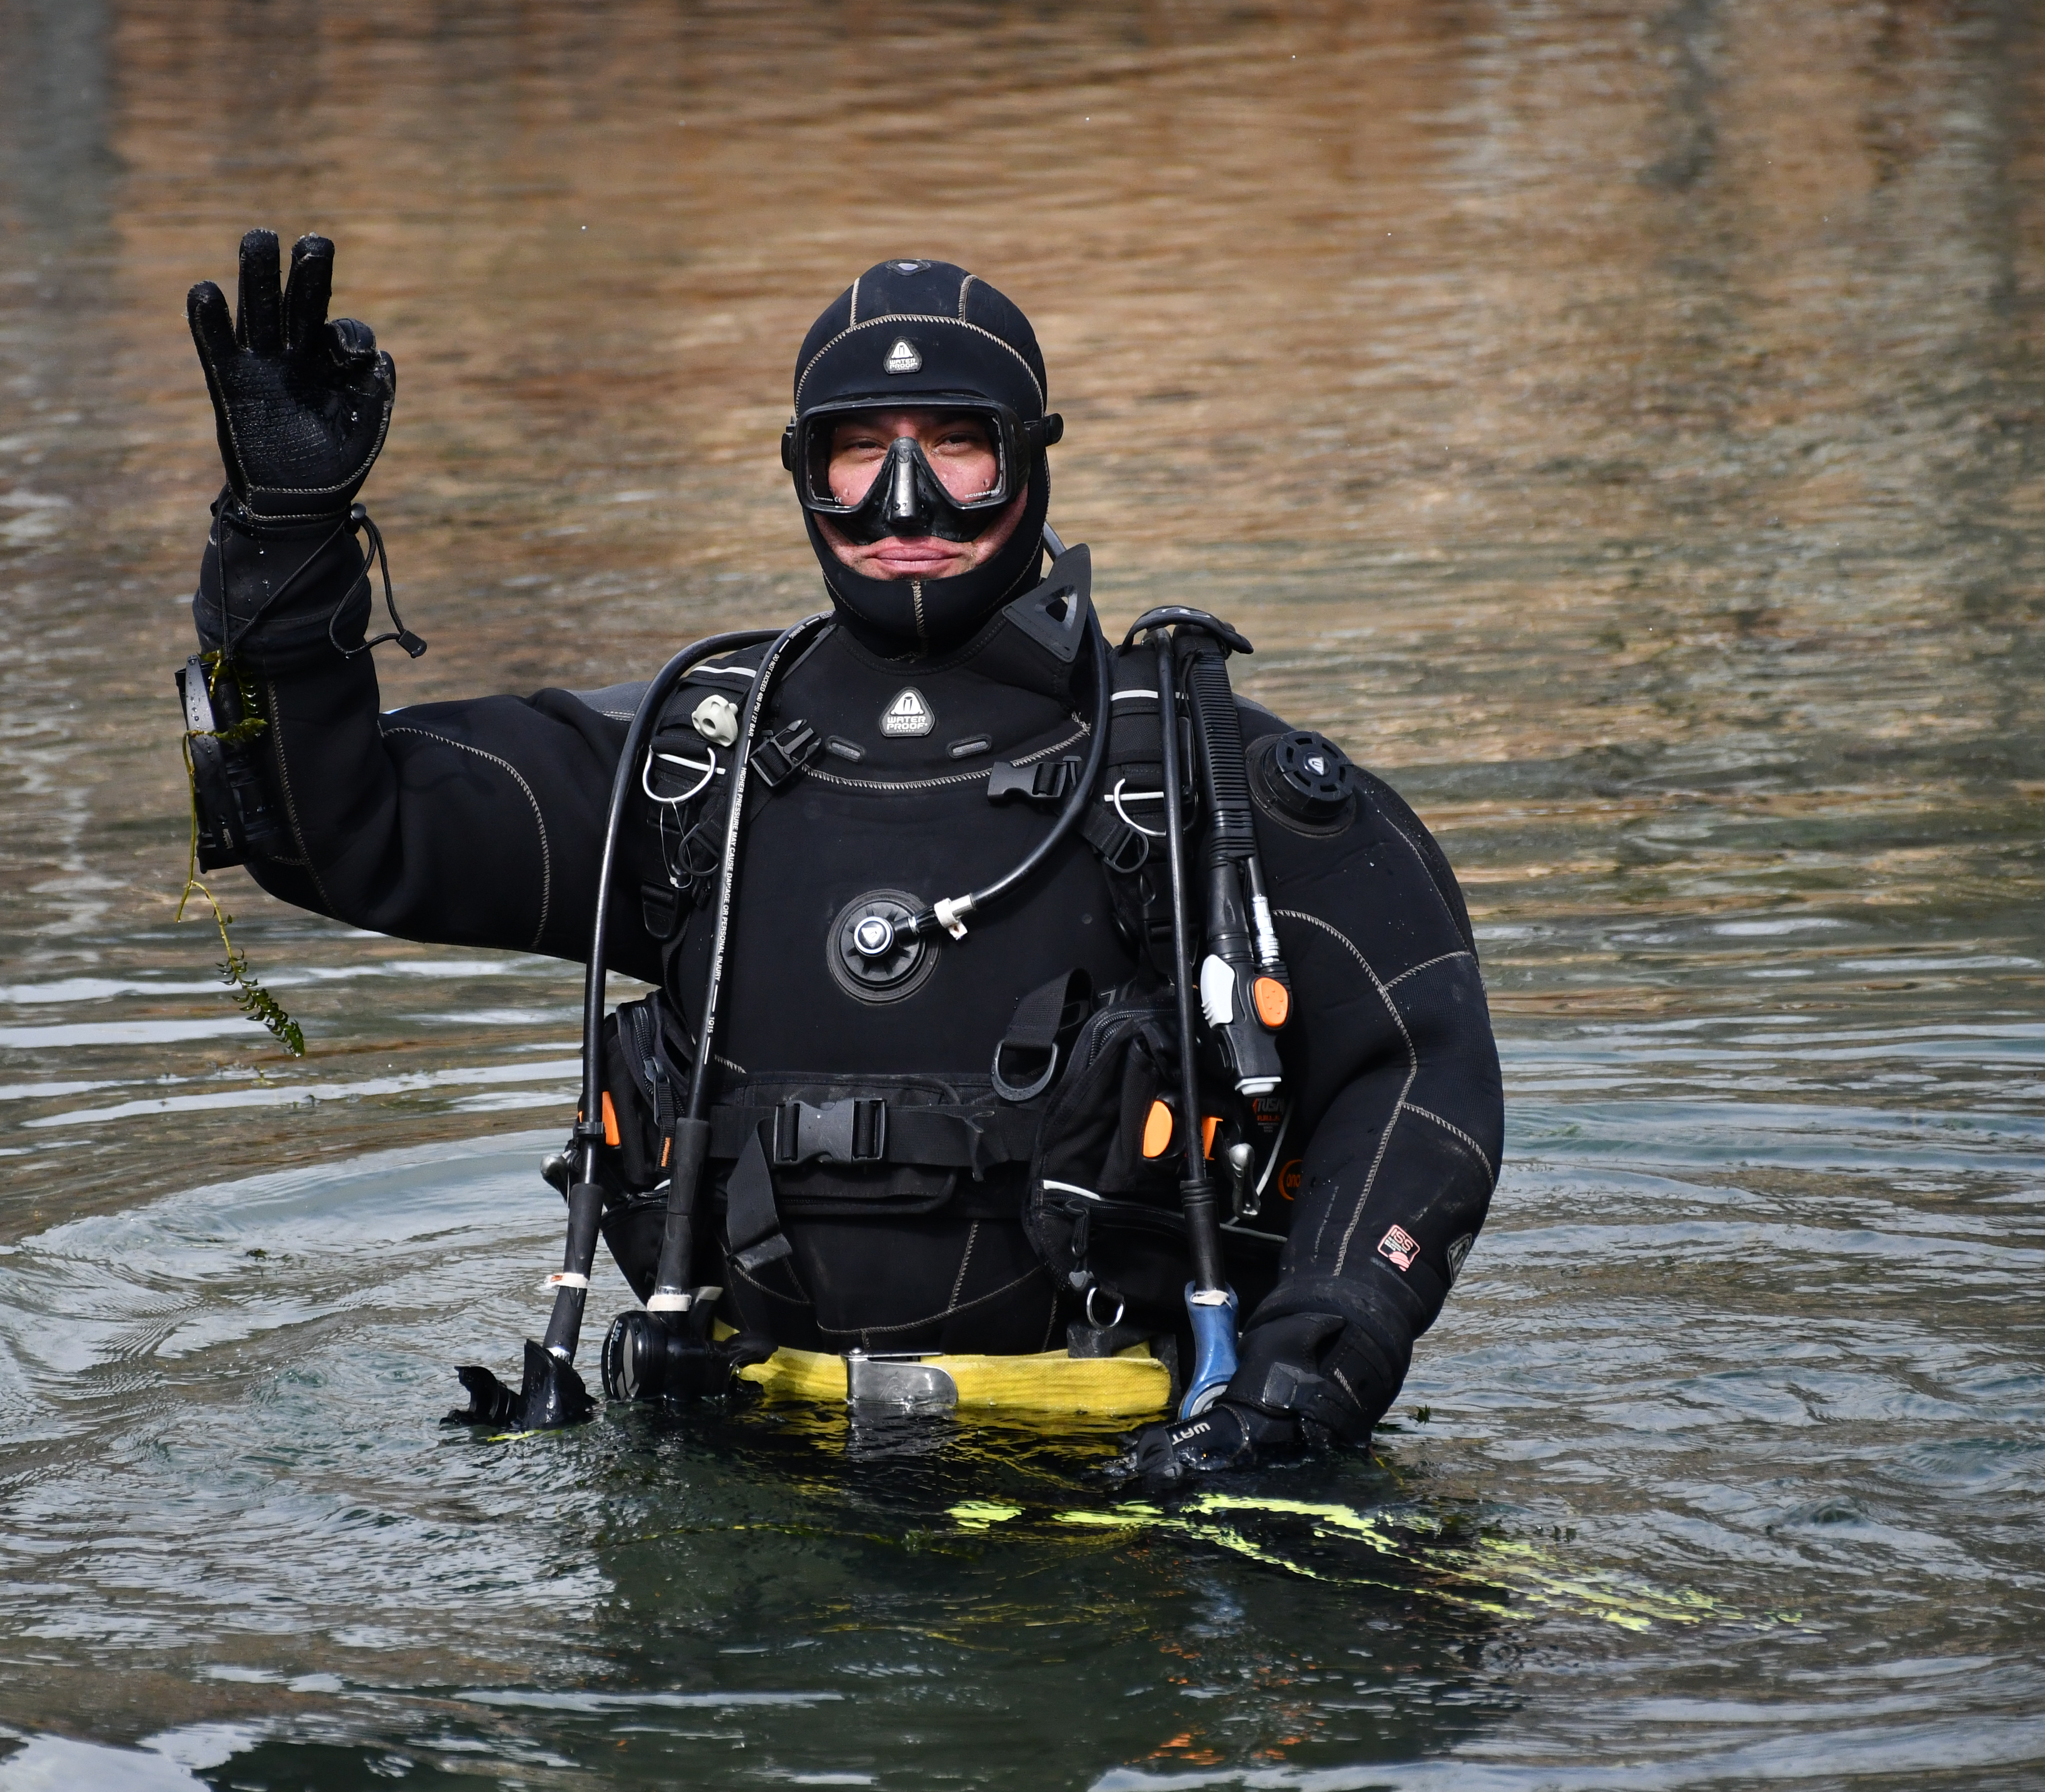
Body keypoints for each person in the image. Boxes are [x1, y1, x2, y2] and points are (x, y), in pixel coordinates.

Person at [177, 231, 1503, 1486]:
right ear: (798, 468)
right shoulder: (699, 768)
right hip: (745, 1484)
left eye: (958, 451)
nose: (906, 500)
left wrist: (1301, 1390)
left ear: (1033, 461)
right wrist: (284, 534)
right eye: (859, 452)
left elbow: (1421, 1065)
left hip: (1124, 1487)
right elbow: (336, 831)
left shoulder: (1192, 777)